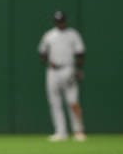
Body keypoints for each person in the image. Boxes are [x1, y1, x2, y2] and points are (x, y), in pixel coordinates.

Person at [37, 10, 87, 142]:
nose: (60, 23)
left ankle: (78, 131)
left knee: (73, 101)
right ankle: (60, 132)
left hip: (68, 69)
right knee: (55, 103)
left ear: (65, 21)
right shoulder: (49, 35)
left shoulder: (73, 35)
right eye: (57, 21)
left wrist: (78, 69)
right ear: (54, 22)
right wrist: (47, 59)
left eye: (62, 21)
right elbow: (42, 52)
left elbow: (80, 53)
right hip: (53, 71)